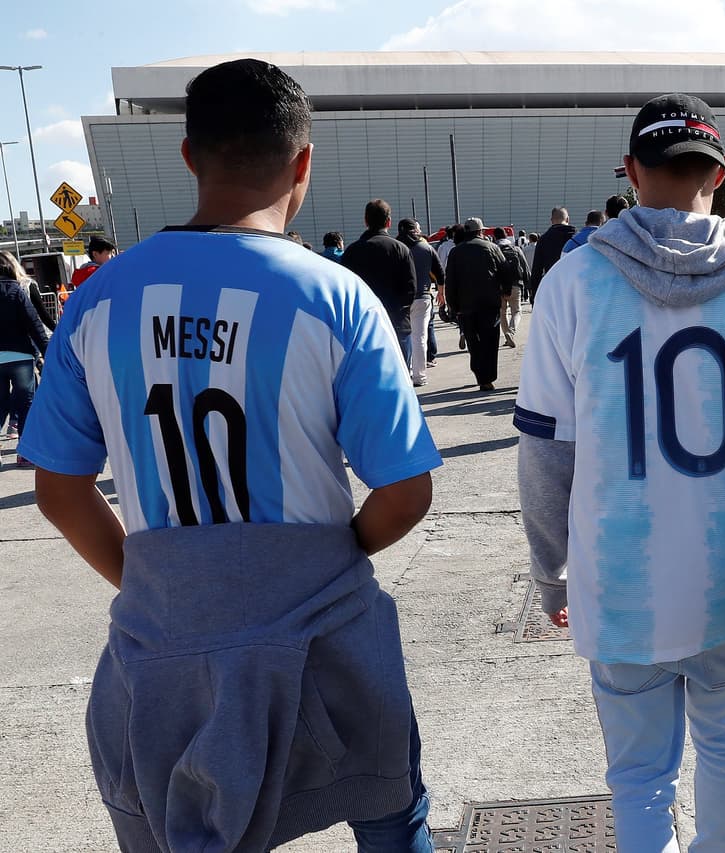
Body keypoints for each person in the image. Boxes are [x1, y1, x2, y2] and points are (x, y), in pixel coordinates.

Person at [17, 57, 442, 852]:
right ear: (304, 163)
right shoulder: (334, 296)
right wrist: (329, 554)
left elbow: (60, 488)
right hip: (323, 634)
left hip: (163, 641)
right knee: (390, 807)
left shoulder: (97, 300)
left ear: (188, 156)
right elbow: (405, 490)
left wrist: (155, 575)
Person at [515, 92, 725, 852]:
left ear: (630, 172)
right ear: (718, 176)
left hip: (617, 578)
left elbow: (545, 451)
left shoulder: (572, 282)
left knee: (638, 773)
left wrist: (551, 569)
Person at [341, 199, 417, 365]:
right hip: (397, 321)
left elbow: (344, 291)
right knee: (401, 376)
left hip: (363, 327)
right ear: (389, 222)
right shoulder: (401, 249)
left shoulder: (352, 251)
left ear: (365, 221)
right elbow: (410, 289)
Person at [445, 216, 510, 390]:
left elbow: (450, 280)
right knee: (490, 340)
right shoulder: (492, 247)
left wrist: (452, 305)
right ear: (481, 231)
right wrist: (506, 293)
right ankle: (488, 377)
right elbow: (505, 271)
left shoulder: (456, 252)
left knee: (473, 342)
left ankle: (480, 374)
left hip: (466, 306)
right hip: (490, 303)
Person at [0, 250, 49, 468]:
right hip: (21, 356)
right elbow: (34, 324)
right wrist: (47, 352)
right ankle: (25, 453)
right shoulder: (16, 290)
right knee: (25, 403)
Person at [398, 218, 444, 385]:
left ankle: (404, 372)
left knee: (402, 337)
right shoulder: (426, 247)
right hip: (422, 297)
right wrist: (441, 293)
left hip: (398, 300)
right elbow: (440, 273)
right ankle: (419, 376)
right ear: (415, 230)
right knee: (420, 337)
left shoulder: (395, 247)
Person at [529, 207, 575, 303]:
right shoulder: (575, 238)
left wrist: (535, 295)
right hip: (574, 289)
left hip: (552, 289)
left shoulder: (544, 239)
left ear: (551, 220)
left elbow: (537, 270)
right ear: (568, 219)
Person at [493, 226, 529, 348]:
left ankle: (507, 334)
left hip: (499, 286)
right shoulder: (516, 249)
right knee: (517, 311)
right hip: (515, 284)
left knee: (502, 312)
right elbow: (524, 267)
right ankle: (511, 332)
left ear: (494, 237)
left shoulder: (493, 249)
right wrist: (528, 285)